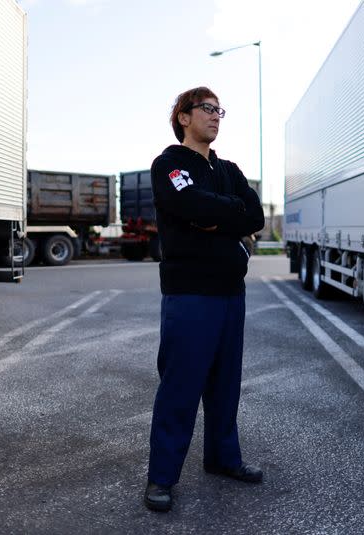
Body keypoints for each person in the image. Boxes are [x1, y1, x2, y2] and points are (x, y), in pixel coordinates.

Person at [144, 87, 265, 512]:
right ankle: (161, 478)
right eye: (207, 109)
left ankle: (223, 458)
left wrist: (218, 217)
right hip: (190, 294)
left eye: (220, 111)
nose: (216, 117)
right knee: (180, 387)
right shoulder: (170, 165)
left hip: (232, 293)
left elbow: (256, 215)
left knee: (225, 386)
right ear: (183, 117)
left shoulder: (229, 169)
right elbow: (189, 202)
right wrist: (226, 216)